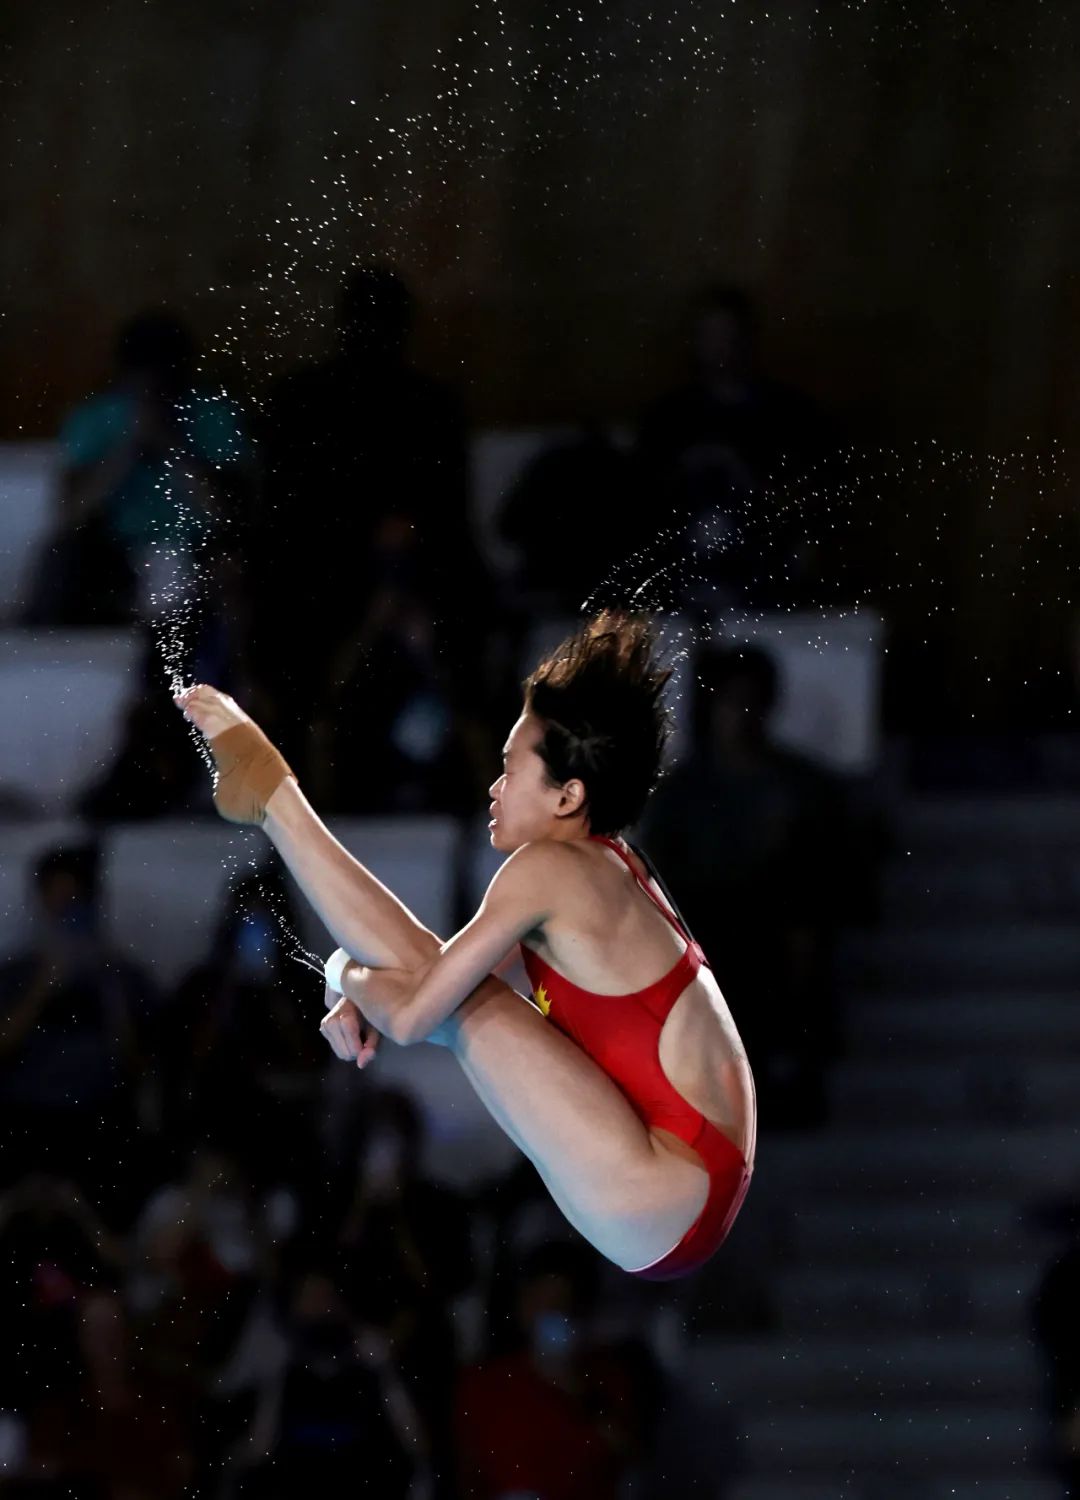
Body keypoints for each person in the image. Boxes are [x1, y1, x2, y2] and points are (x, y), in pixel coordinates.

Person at [174, 610, 756, 1280]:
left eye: (511, 768)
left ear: (568, 795)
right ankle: (272, 797)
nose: (493, 785)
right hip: (685, 1190)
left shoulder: (551, 870)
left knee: (458, 1007)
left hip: (661, 1193)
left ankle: (276, 799)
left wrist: (345, 971)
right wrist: (367, 980)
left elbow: (416, 1013)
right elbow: (432, 974)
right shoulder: (613, 863)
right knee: (453, 988)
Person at [22, 309, 251, 626]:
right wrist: (128, 449)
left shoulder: (212, 415)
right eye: (145, 372)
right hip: (116, 554)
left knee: (238, 558)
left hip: (201, 551)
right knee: (64, 555)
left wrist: (172, 446)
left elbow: (228, 511)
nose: (154, 383)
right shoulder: (98, 417)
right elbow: (70, 513)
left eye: (165, 371)